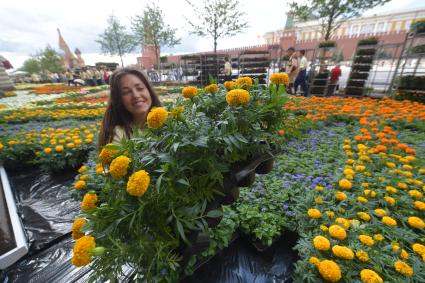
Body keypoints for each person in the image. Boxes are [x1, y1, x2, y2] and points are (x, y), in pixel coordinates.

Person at [98, 67, 162, 148]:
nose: (136, 95)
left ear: (149, 90)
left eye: (140, 88)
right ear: (119, 99)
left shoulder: (169, 122)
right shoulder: (118, 135)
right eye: (126, 92)